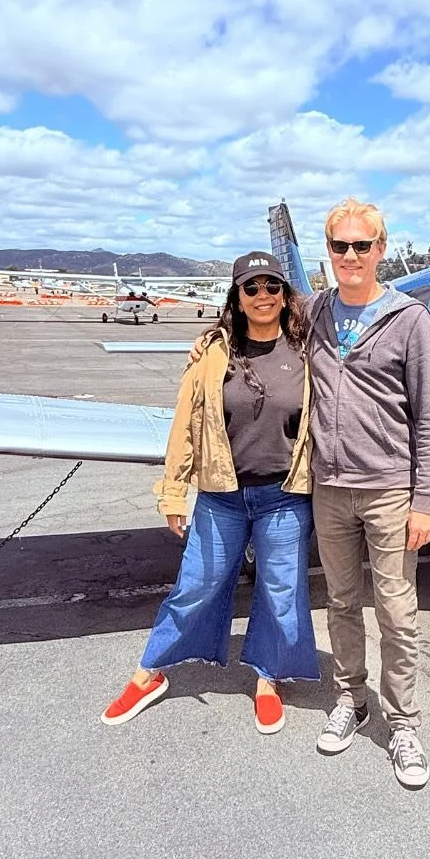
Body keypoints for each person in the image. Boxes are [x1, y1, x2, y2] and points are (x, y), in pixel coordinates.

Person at [101, 251, 319, 733]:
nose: (262, 295)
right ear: (237, 298)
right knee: (196, 585)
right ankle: (150, 672)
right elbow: (185, 425)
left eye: (272, 286)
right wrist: (173, 492)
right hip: (223, 495)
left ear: (285, 296)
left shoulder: (307, 351)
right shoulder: (213, 353)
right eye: (251, 287)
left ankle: (269, 678)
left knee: (282, 591)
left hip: (285, 495)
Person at [307, 198, 430, 788]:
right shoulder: (315, 310)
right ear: (329, 251)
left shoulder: (409, 319)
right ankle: (351, 699)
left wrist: (426, 500)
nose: (350, 256)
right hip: (330, 487)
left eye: (361, 245)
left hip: (389, 490)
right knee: (341, 601)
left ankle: (404, 724)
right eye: (340, 246)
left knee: (396, 610)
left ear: (380, 250)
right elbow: (253, 328)